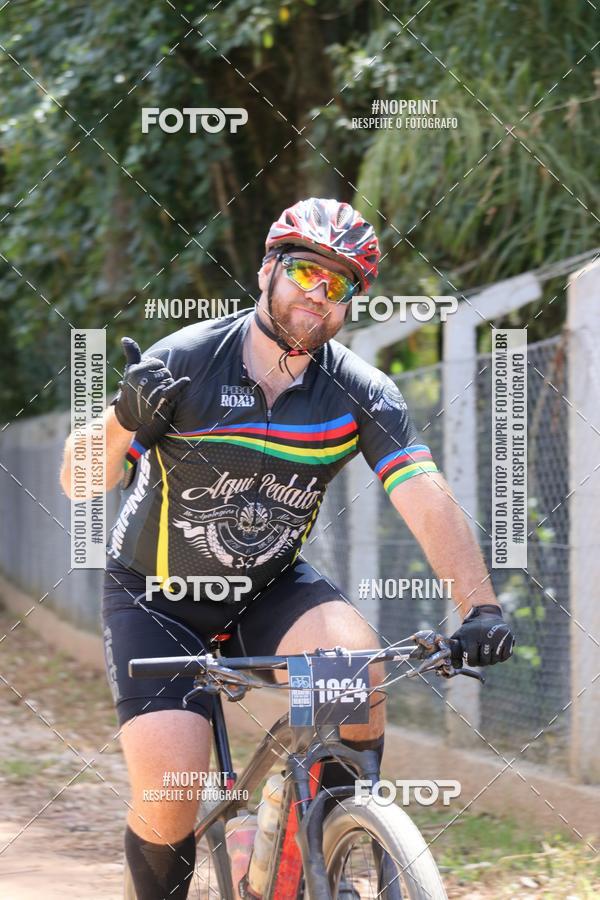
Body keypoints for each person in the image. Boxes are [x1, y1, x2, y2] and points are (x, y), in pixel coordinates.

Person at [61, 197, 515, 899]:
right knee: (171, 795)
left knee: (354, 673)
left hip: (268, 588)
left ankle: (308, 858)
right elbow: (76, 479)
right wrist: (123, 421)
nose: (318, 294)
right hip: (157, 598)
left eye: (340, 284)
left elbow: (426, 497)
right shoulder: (185, 361)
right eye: (305, 271)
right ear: (268, 269)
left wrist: (480, 607)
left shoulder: (359, 392)